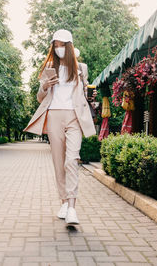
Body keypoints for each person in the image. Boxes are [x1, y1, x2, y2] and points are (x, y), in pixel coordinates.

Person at [23, 29, 96, 224]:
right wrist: (45, 86)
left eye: (62, 45)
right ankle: (63, 201)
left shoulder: (81, 68)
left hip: (74, 117)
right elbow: (40, 98)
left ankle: (72, 207)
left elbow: (83, 94)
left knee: (71, 160)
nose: (59, 49)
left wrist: (89, 96)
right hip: (54, 115)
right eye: (56, 45)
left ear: (69, 46)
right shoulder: (49, 66)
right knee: (58, 162)